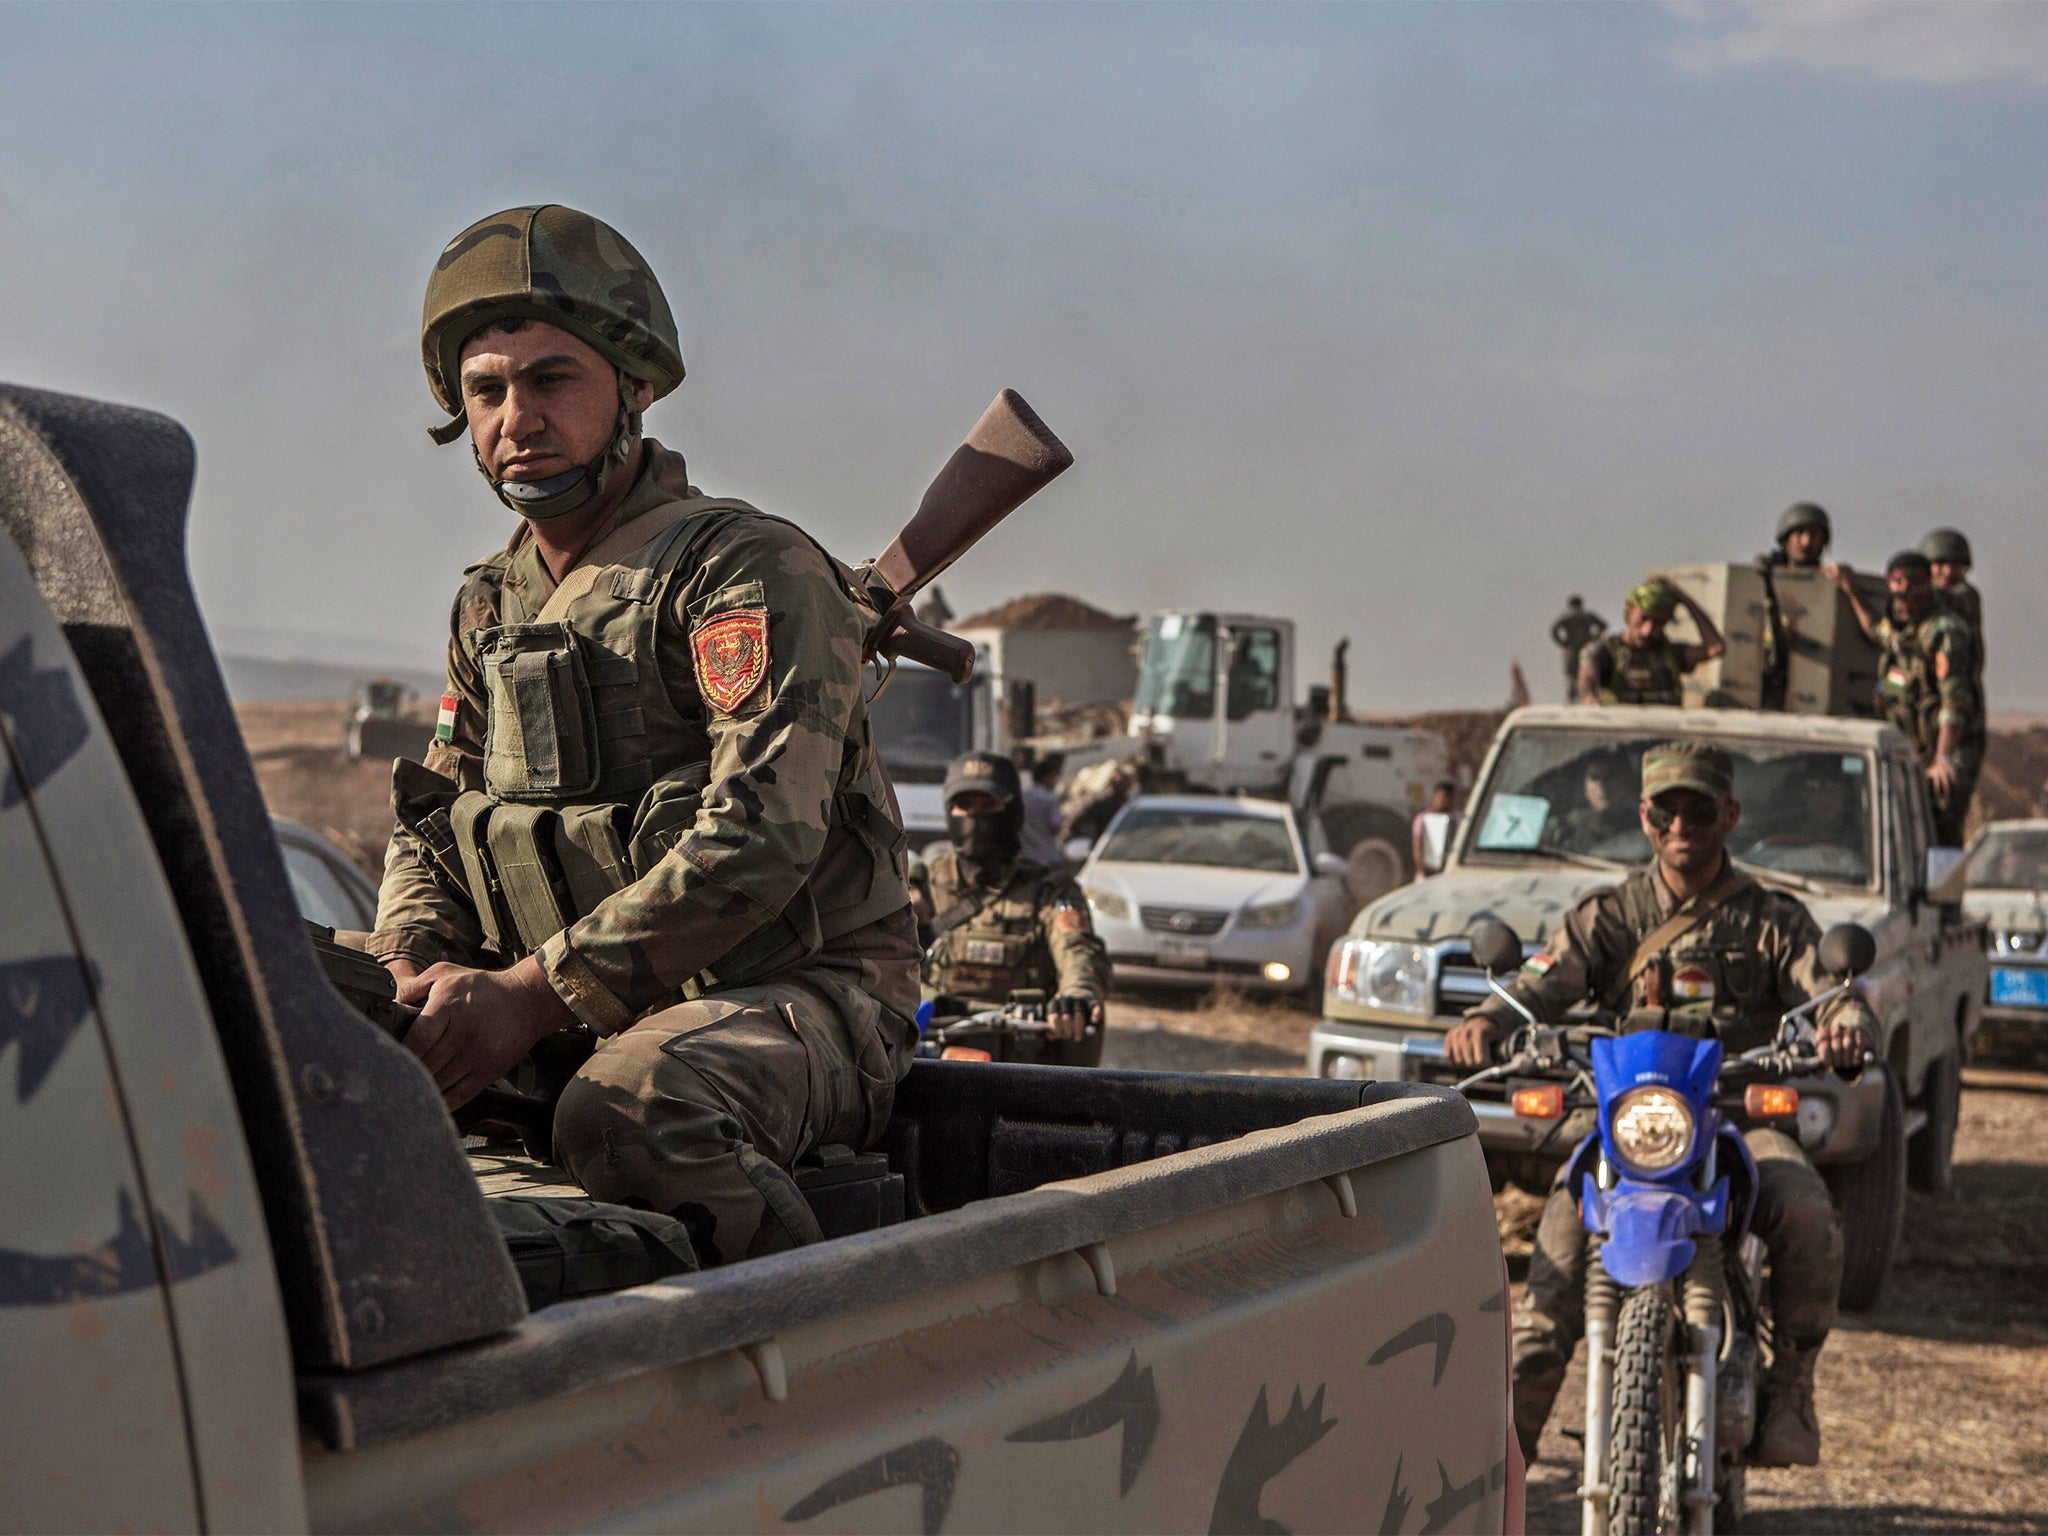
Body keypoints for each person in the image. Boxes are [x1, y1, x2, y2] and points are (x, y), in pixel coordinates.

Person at [365, 204, 919, 1267]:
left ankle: (794, 1362)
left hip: (803, 997)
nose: (515, 419)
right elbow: (433, 825)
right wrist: (407, 967)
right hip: (571, 998)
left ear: (635, 386)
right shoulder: (491, 603)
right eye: (486, 390)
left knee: (632, 1107)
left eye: (552, 380)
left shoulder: (739, 569)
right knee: (284, 1022)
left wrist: (527, 998)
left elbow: (757, 838)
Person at [1444, 742, 1876, 1469]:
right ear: (1644, 817)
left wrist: (1846, 1029)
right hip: (1630, 1122)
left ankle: (1792, 1383)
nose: (1682, 824)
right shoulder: (1610, 914)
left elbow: (1835, 994)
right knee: (1548, 1283)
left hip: (1735, 1117)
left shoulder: (1771, 918)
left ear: (1729, 814)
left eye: (1699, 808)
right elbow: (1545, 981)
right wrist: (1491, 1019)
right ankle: (1496, 1476)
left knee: (1804, 1211)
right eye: (1665, 809)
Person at [909, 752, 1111, 1064]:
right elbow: (880, 944)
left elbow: (1079, 950)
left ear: (1013, 810)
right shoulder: (924, 885)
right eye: (965, 805)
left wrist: (1076, 997)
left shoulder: (1049, 889)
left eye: (989, 805)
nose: (975, 817)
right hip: (928, 1053)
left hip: (1023, 1063)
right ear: (950, 812)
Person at [1831, 550, 1983, 846]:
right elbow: (1876, 629)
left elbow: (1954, 702)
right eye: (1897, 581)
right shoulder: (1904, 628)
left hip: (1947, 748)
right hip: (1913, 747)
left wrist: (1944, 758)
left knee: (1941, 824)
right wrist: (1851, 591)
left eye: (1911, 582)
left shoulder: (1944, 632)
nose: (1903, 590)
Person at [1577, 578, 1725, 706]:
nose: (1647, 630)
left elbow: (1716, 648)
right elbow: (1587, 677)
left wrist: (1685, 600)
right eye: (1644, 618)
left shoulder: (1671, 655)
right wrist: (1589, 697)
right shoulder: (1606, 651)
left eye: (1658, 623)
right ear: (1629, 612)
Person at [1759, 502, 1832, 709]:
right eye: (1799, 533)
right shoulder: (1769, 575)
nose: (1806, 542)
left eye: (1814, 535)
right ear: (1786, 539)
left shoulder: (1830, 584)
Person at [1920, 527, 1985, 687]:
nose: (1948, 572)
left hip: (1958, 692)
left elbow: (1949, 598)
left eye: (1955, 565)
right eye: (1940, 564)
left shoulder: (1967, 596)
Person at [1550, 751, 1639, 852]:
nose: (1602, 786)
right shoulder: (1565, 828)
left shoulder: (1642, 824)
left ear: (1624, 781)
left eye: (1610, 777)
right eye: (1594, 778)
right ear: (1585, 786)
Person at [1549, 596, 1608, 703]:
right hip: (1585, 648)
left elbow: (1554, 630)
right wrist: (1593, 638)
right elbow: (1603, 626)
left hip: (1571, 648)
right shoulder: (1587, 616)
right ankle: (1586, 697)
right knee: (1587, 672)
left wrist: (1563, 642)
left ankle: (1571, 698)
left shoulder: (1567, 617)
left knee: (1571, 675)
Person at [1065, 763, 1137, 845]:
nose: (1121, 786)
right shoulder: (1101, 804)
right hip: (1105, 846)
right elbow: (1078, 821)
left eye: (1124, 783)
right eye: (1118, 783)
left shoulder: (1134, 804)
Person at [1020, 751, 1066, 868]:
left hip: (1026, 859)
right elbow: (1055, 827)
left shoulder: (1023, 796)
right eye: (1055, 776)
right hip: (1047, 859)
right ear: (1048, 776)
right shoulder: (1049, 798)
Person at [1411, 780, 1455, 876]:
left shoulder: (1452, 820)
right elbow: (1417, 845)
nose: (1446, 801)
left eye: (1450, 798)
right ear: (1435, 796)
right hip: (1427, 872)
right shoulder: (1422, 819)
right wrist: (1422, 870)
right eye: (1443, 796)